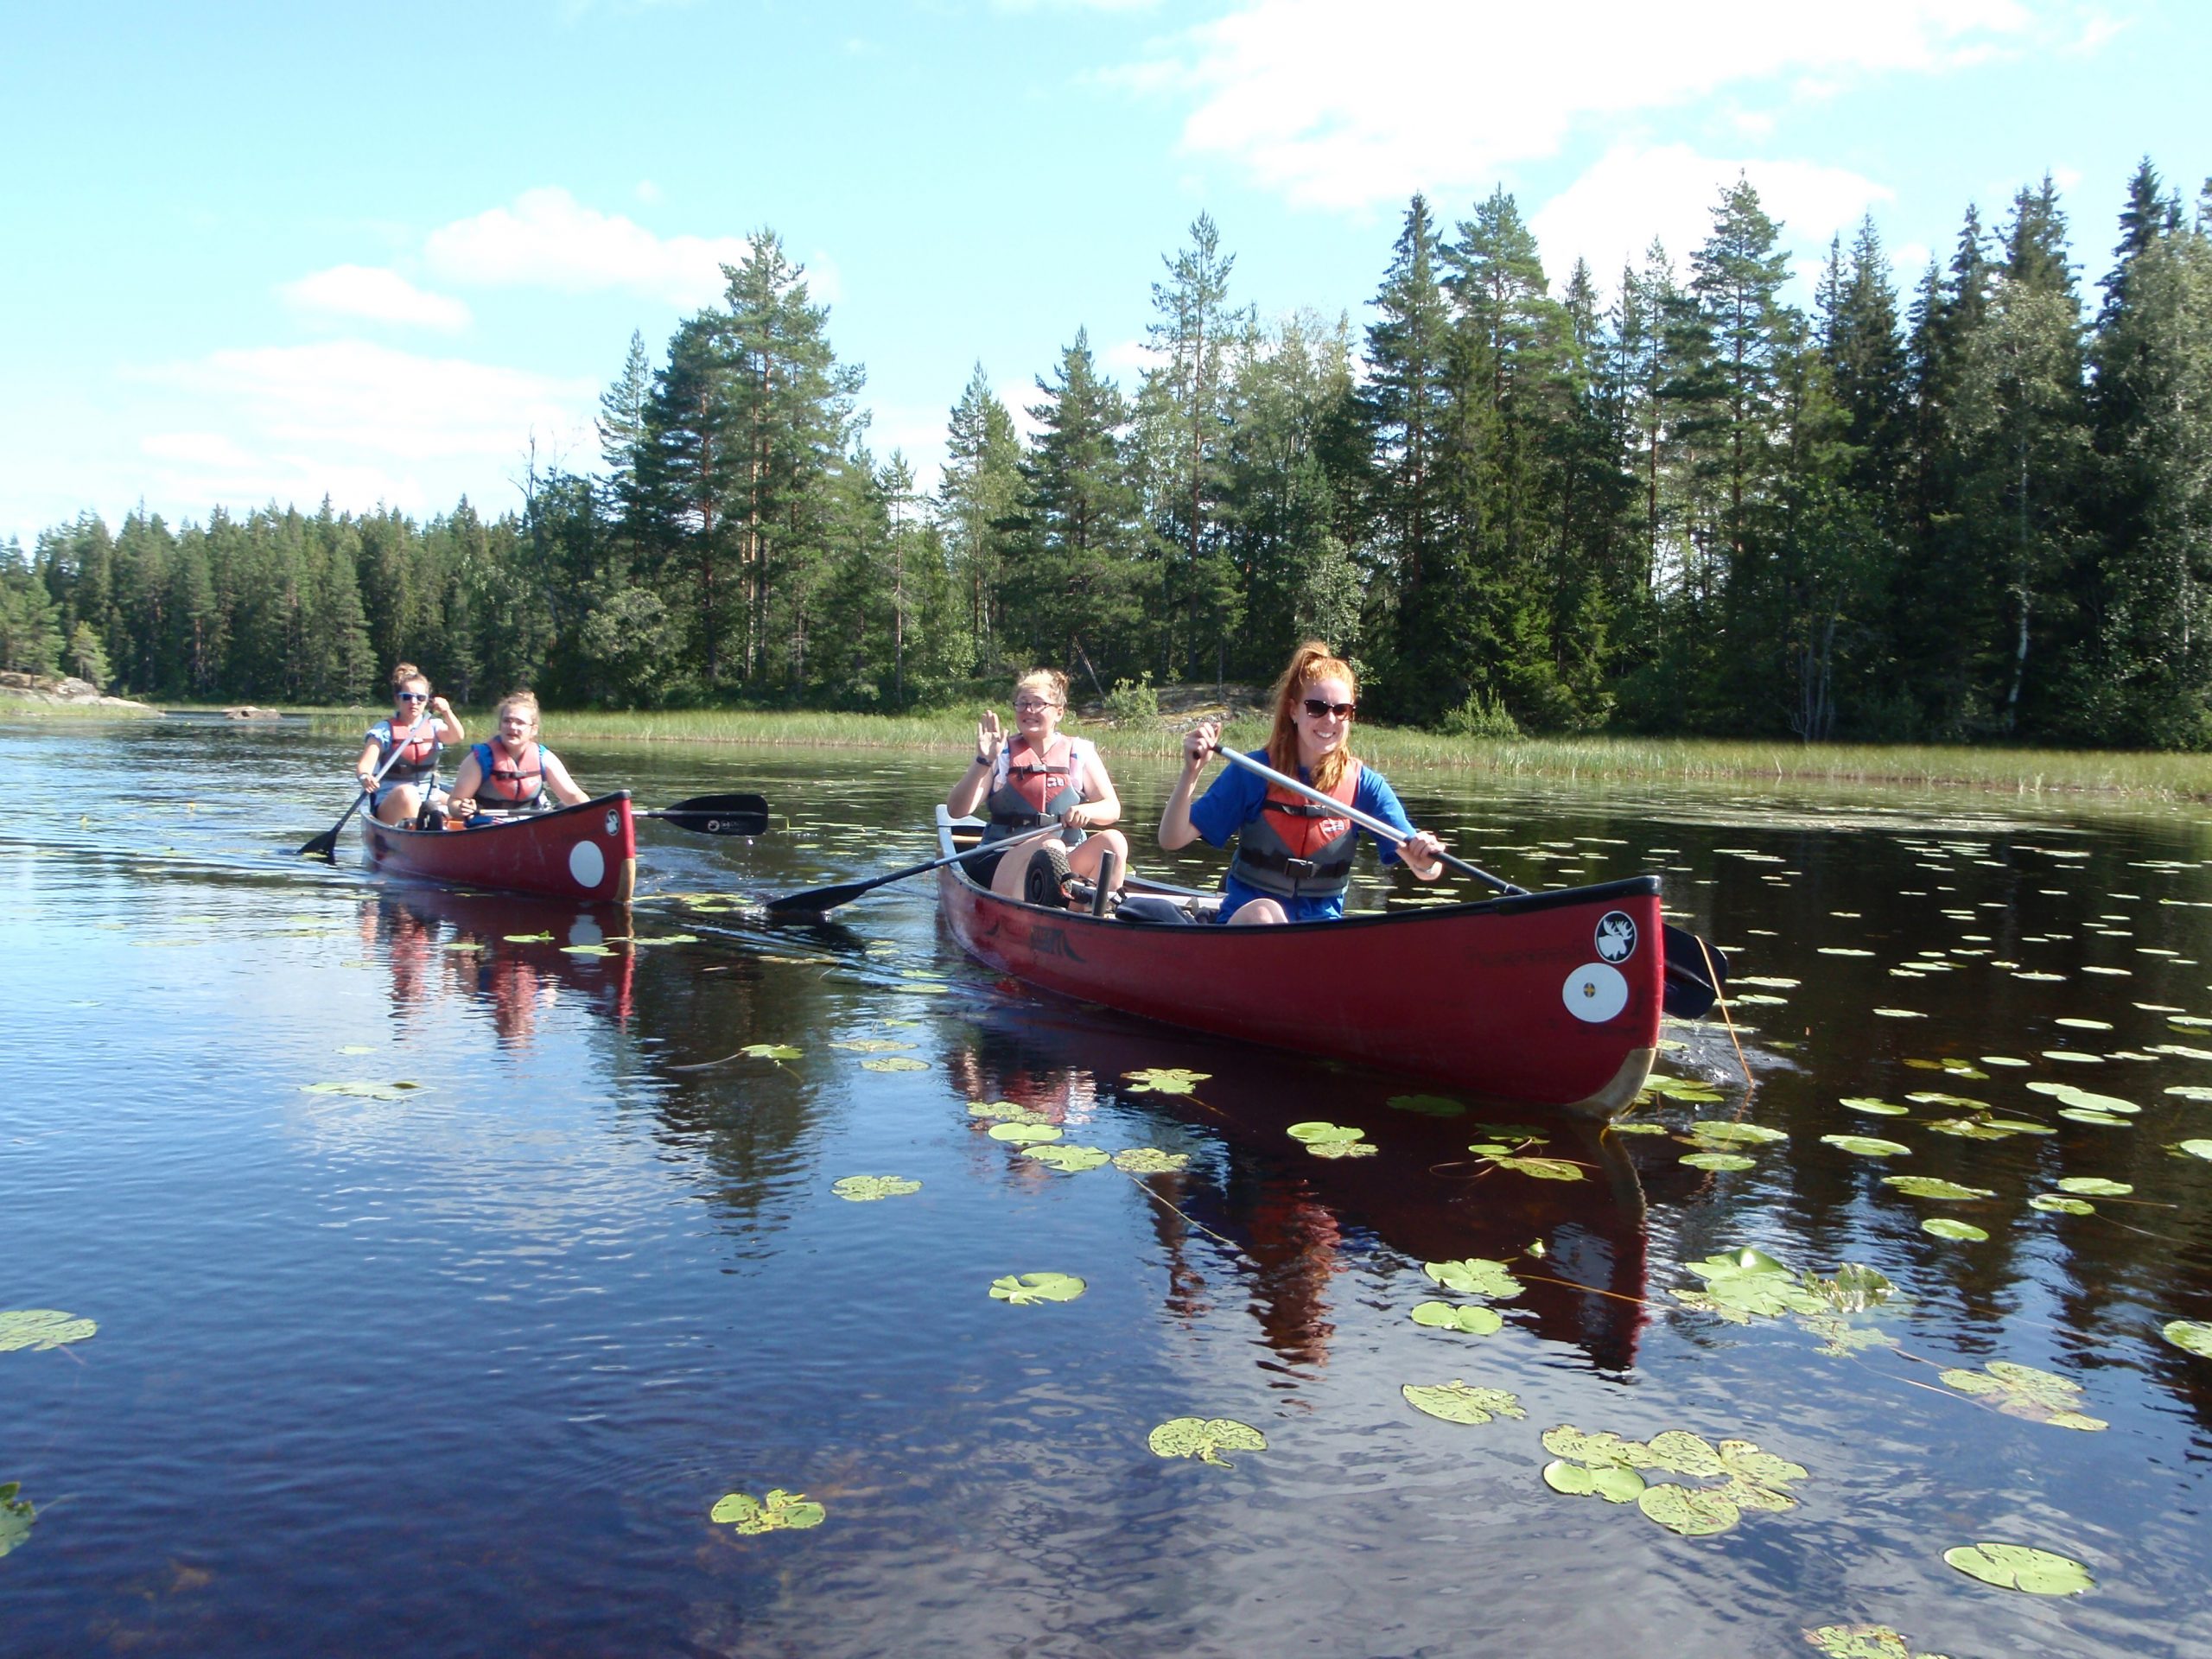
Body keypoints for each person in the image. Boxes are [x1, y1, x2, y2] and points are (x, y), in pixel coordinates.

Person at [1158, 641, 1447, 925]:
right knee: (1264, 915)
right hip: (1248, 926)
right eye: (1317, 707)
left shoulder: (1365, 785)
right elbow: (1172, 839)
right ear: (1294, 710)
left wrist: (1426, 855)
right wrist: (1191, 773)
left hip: (1319, 933)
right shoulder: (1253, 772)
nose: (1329, 719)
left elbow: (1426, 870)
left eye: (1341, 710)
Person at [944, 667, 1130, 903]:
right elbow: (957, 811)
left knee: (1114, 841)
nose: (1028, 711)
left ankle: (1089, 918)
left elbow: (1112, 809)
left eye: (1038, 704)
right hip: (1003, 858)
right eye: (1022, 704)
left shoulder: (1080, 752)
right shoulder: (1000, 754)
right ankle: (1028, 921)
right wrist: (983, 761)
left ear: (1059, 712)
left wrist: (1088, 810)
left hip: (1066, 857)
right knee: (1049, 844)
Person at [445, 690, 590, 824]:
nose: (512, 727)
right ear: (500, 725)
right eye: (507, 721)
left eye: (520, 723)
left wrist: (587, 810)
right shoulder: (478, 759)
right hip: (488, 826)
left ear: (533, 729)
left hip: (532, 825)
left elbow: (573, 796)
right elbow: (454, 802)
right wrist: (462, 808)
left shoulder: (544, 758)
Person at [355, 664, 464, 827]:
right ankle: (423, 830)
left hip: (428, 794)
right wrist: (365, 777)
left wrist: (447, 712)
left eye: (420, 698)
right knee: (408, 792)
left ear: (427, 701)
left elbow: (457, 736)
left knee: (463, 804)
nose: (414, 702)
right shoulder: (383, 731)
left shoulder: (434, 726)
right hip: (391, 799)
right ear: (397, 699)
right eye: (407, 697)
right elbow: (364, 766)